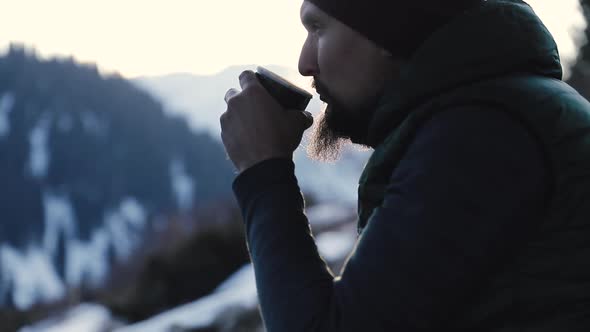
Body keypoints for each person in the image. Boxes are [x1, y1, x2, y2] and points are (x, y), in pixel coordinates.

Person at [220, 0, 590, 330]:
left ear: (387, 30)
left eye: (318, 27)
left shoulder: (477, 137)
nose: (305, 62)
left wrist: (264, 169)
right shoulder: (499, 111)